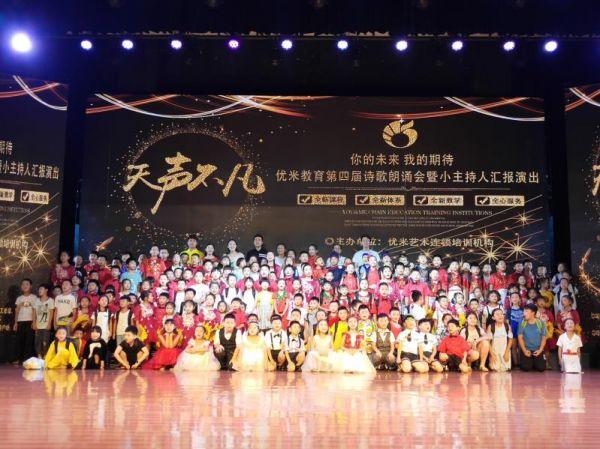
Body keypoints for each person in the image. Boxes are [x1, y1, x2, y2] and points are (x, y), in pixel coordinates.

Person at [517, 304, 547, 372]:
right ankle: (531, 362)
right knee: (525, 368)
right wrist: (524, 351)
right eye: (524, 311)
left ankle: (534, 362)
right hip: (527, 349)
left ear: (533, 313)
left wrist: (540, 350)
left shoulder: (541, 323)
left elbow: (544, 337)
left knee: (541, 368)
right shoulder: (522, 323)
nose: (524, 313)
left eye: (526, 311)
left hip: (538, 349)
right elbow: (520, 337)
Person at [14, 278, 37, 364]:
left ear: (31, 286)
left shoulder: (34, 297)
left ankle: (27, 359)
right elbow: (16, 311)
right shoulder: (19, 298)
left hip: (30, 321)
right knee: (20, 340)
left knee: (29, 341)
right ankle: (18, 358)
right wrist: (15, 323)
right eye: (23, 284)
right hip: (20, 321)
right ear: (21, 287)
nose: (25, 286)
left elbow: (35, 310)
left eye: (27, 284)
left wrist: (34, 322)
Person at [486, 308, 513, 372]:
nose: (500, 316)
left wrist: (507, 352)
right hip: (495, 352)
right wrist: (492, 354)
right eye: (497, 314)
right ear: (493, 317)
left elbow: (510, 340)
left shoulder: (507, 326)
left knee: (505, 368)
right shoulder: (490, 327)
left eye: (501, 314)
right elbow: (488, 342)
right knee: (495, 368)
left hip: (504, 351)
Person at [33, 283, 54, 358]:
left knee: (45, 341)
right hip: (38, 325)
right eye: (39, 289)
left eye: (41, 289)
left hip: (46, 325)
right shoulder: (36, 300)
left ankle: (45, 356)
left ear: (46, 290)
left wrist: (49, 324)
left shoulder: (51, 300)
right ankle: (39, 355)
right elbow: (34, 312)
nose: (39, 290)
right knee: (37, 341)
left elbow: (51, 313)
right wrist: (34, 323)